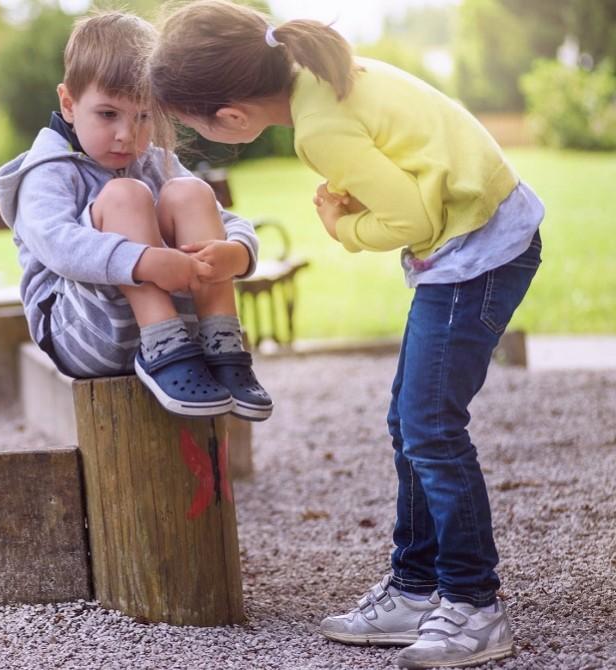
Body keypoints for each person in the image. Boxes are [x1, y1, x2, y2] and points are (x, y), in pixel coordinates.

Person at [149, 1, 542, 668]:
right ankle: (417, 588)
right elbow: (415, 163)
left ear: (233, 117)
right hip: (483, 234)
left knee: (430, 428)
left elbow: (415, 217)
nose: (193, 136)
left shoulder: (318, 129)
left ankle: (475, 606)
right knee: (410, 422)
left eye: (192, 126)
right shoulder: (325, 73)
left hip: (477, 256)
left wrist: (344, 230)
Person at [0, 10, 273, 421]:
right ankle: (164, 346)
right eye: (108, 114)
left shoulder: (154, 160)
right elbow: (57, 244)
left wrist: (238, 252)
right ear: (69, 104)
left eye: (143, 117)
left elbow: (222, 218)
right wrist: (142, 261)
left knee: (190, 191)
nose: (127, 134)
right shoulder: (48, 171)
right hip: (84, 333)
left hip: (185, 338)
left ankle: (223, 342)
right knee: (125, 195)